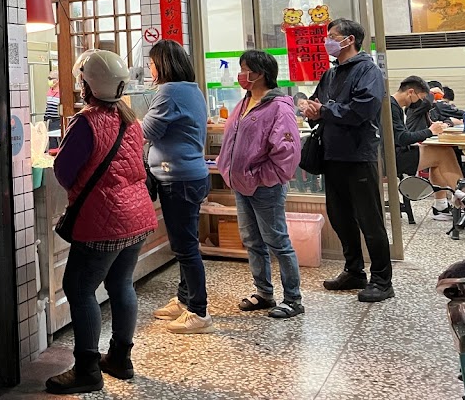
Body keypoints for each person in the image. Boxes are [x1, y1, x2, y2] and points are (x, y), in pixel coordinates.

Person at [45, 51, 157, 395]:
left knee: (79, 289)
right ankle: (120, 359)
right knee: (121, 285)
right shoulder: (130, 117)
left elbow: (64, 172)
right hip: (137, 215)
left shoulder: (86, 121)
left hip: (103, 220)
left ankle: (86, 370)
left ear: (87, 84)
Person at [299, 19, 391, 303]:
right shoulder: (331, 73)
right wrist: (309, 108)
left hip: (357, 155)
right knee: (340, 217)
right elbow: (318, 102)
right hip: (331, 153)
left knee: (369, 218)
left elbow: (361, 109)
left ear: (349, 39)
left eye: (331, 36)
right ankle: (354, 271)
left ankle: (382, 279)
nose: (326, 41)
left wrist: (324, 110)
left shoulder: (368, 71)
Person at [217, 51, 304, 319]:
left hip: (264, 187)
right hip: (241, 184)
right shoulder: (244, 103)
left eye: (245, 70)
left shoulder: (279, 107)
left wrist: (260, 176)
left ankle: (293, 299)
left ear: (260, 73)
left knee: (277, 241)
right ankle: (264, 292)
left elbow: (287, 153)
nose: (241, 75)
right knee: (252, 240)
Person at [142, 40, 213, 334]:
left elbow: (147, 131)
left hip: (179, 178)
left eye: (152, 63)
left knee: (185, 247)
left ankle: (199, 311)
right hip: (190, 174)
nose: (150, 68)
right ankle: (185, 300)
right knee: (186, 243)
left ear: (162, 65)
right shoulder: (191, 88)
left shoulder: (169, 92)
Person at [391, 76, 450, 219]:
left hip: (395, 153)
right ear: (410, 92)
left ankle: (443, 204)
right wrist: (431, 131)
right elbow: (402, 138)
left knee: (442, 154)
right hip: (391, 159)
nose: (420, 102)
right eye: (420, 97)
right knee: (443, 154)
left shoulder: (394, 105)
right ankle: (462, 201)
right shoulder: (392, 107)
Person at [406, 83, 462, 220]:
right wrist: (431, 93)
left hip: (414, 147)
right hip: (407, 150)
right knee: (444, 154)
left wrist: (447, 123)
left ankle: (441, 206)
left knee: (440, 155)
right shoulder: (415, 107)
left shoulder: (423, 111)